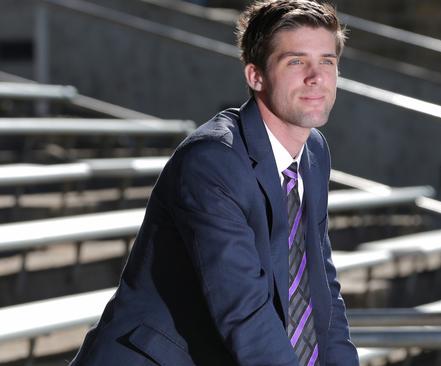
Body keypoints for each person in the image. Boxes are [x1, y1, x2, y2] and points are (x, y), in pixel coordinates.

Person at [69, 0, 358, 365]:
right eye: (296, 61)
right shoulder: (212, 161)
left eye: (327, 61)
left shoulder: (313, 152)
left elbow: (321, 290)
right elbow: (244, 310)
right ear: (256, 76)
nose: (316, 77)